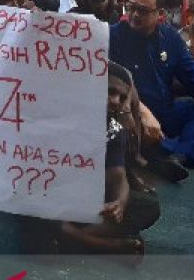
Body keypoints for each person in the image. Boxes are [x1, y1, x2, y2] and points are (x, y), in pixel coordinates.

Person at [110, 0, 194, 170]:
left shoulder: (170, 37)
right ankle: (175, 152)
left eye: (143, 10)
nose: (135, 15)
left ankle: (174, 154)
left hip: (166, 109)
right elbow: (118, 84)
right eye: (131, 8)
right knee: (123, 124)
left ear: (160, 14)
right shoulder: (113, 37)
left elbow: (193, 74)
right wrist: (143, 114)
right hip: (132, 110)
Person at [57, 62, 160, 259]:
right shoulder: (65, 117)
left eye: (121, 97)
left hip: (86, 200)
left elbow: (118, 176)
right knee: (40, 217)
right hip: (54, 197)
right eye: (110, 91)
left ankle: (73, 239)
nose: (115, 101)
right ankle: (108, 246)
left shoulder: (113, 129)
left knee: (148, 206)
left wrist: (119, 204)